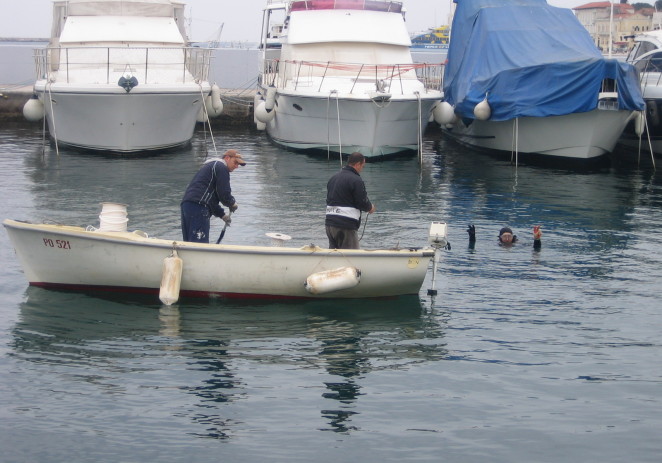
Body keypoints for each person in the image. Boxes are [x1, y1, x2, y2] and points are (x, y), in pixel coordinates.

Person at [180, 149, 246, 243]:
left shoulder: (210, 168)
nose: (236, 166)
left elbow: (210, 199)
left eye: (238, 165)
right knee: (199, 243)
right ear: (227, 158)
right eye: (235, 162)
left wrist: (222, 215)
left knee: (188, 243)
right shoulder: (221, 167)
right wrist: (232, 203)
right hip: (199, 207)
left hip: (187, 205)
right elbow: (224, 193)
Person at [325, 152, 376, 249]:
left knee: (334, 256)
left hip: (329, 223)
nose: (362, 169)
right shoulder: (356, 180)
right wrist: (370, 208)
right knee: (351, 257)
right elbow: (362, 201)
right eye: (362, 166)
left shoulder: (333, 178)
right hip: (345, 225)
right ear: (357, 164)